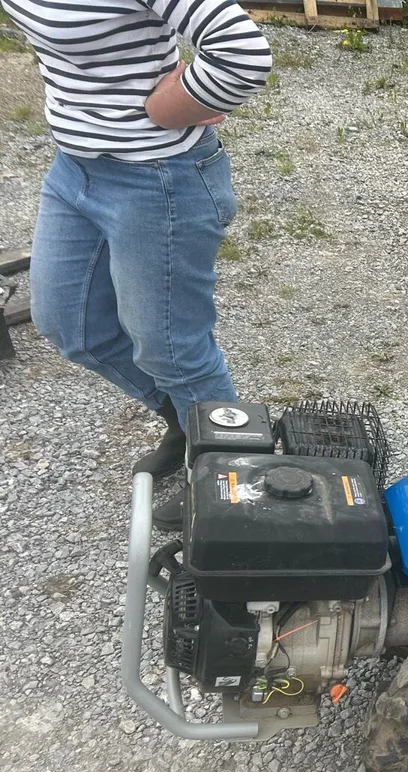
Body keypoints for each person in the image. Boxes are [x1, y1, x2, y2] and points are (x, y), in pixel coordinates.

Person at [0, 0, 272, 529]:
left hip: (158, 178)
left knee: (173, 349)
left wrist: (169, 106)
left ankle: (234, 481)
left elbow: (241, 52)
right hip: (73, 170)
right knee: (70, 326)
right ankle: (192, 424)